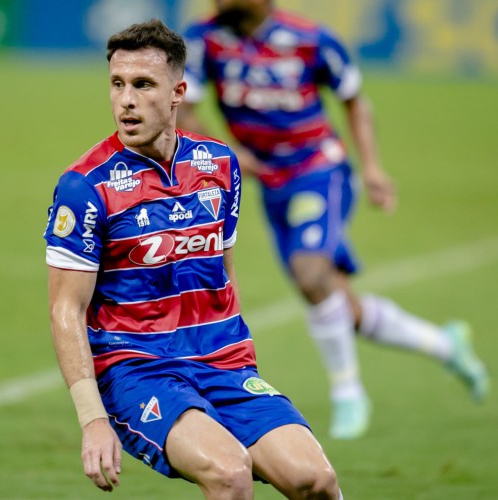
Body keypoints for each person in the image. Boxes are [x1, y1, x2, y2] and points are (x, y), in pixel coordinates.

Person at [45, 18, 343, 499]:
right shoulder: (85, 186)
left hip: (224, 362)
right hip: (137, 370)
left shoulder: (219, 164)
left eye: (143, 85)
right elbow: (65, 309)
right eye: (118, 84)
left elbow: (222, 271)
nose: (126, 99)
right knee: (229, 473)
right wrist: (92, 420)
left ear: (179, 90)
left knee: (317, 480)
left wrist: (242, 360)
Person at [177, 0, 489, 440]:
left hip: (318, 170)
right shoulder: (205, 39)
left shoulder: (311, 40)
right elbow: (185, 108)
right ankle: (446, 345)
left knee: (310, 273)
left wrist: (374, 167)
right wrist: (227, 148)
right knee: (335, 299)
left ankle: (348, 392)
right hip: (271, 183)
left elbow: (355, 101)